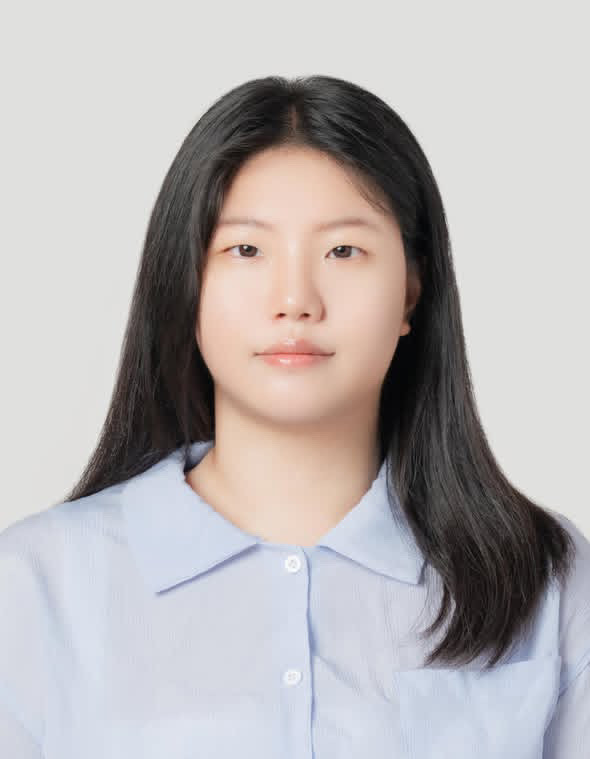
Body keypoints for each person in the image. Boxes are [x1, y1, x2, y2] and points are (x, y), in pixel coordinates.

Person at [1, 74, 588, 758]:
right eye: (246, 250)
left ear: (411, 292)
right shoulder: (38, 584)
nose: (295, 300)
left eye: (343, 251)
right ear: (186, 282)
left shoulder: (543, 575)